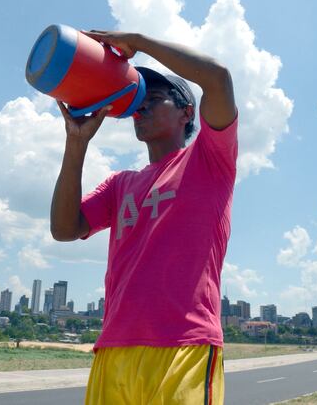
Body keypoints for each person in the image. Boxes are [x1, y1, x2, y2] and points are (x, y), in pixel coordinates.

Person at [50, 29, 237, 405]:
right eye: (138, 104)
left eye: (153, 100)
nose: (141, 109)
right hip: (114, 348)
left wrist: (138, 41)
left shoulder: (208, 160)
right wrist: (76, 143)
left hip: (183, 346)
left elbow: (217, 78)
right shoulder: (121, 184)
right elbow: (64, 229)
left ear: (187, 112)